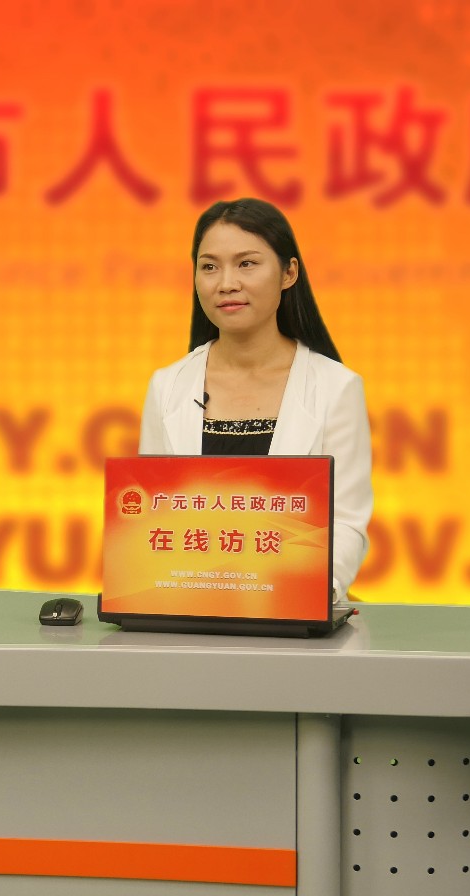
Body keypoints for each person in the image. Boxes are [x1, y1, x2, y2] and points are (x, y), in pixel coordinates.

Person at [139, 198, 372, 598]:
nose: (226, 283)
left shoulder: (337, 387)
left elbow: (346, 524)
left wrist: (299, 596)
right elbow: (150, 516)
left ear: (288, 273)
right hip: (188, 606)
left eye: (246, 263)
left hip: (292, 605)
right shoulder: (167, 385)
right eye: (209, 267)